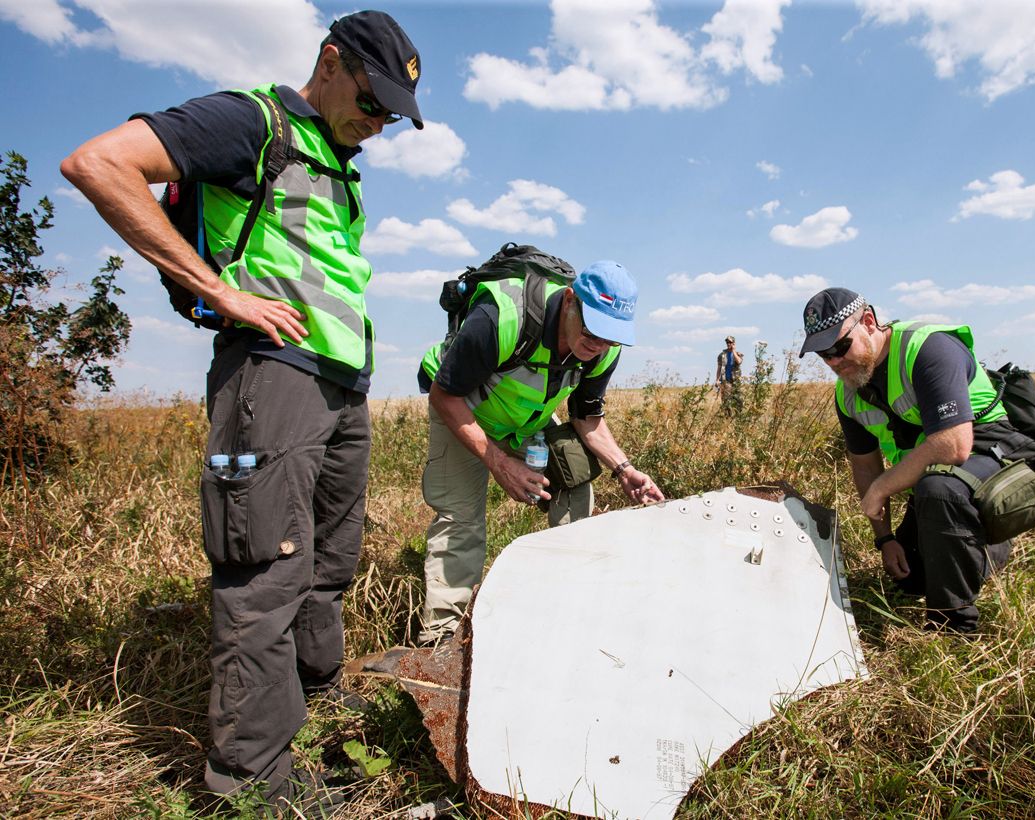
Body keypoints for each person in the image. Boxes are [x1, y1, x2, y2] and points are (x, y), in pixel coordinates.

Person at [61, 10, 424, 802]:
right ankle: (252, 785)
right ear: (331, 61)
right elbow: (99, 164)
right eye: (373, 101)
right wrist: (219, 290)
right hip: (271, 378)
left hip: (338, 383)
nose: (380, 122)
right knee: (265, 570)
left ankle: (316, 697)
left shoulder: (334, 156)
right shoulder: (251, 121)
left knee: (327, 560)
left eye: (393, 115)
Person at [416, 260, 666, 645]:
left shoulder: (603, 351)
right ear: (569, 301)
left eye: (610, 337)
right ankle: (441, 640)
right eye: (592, 329)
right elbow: (444, 395)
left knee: (577, 478)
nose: (597, 345)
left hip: (524, 421)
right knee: (462, 519)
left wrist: (624, 469)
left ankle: (566, 602)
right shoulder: (502, 318)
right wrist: (499, 464)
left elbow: (586, 418)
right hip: (463, 408)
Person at [799, 287, 1033, 633]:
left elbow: (953, 446)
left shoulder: (927, 349)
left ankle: (953, 625)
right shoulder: (848, 393)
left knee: (939, 490)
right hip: (932, 476)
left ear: (868, 322)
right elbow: (865, 465)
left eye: (839, 347)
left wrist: (880, 489)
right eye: (823, 354)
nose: (834, 362)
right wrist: (885, 539)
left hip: (989, 452)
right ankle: (970, 546)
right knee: (911, 578)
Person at [715, 335, 744, 413]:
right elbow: (719, 368)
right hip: (726, 381)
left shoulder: (738, 354)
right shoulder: (722, 355)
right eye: (727, 342)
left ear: (734, 343)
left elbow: (739, 361)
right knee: (726, 402)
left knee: (739, 400)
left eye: (730, 342)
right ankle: (727, 420)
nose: (728, 344)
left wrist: (734, 351)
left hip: (736, 381)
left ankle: (738, 418)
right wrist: (717, 380)